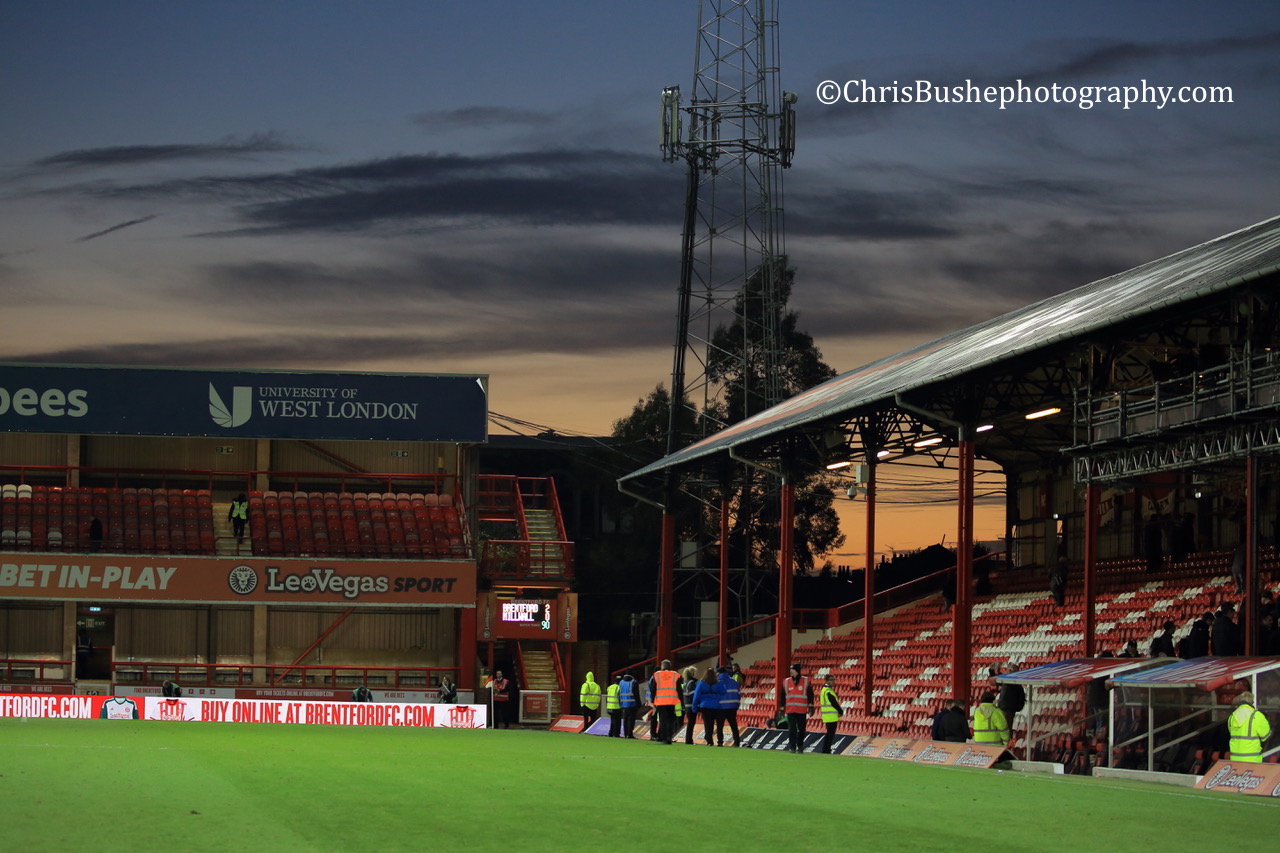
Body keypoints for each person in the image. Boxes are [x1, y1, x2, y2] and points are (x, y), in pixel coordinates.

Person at [1227, 691, 1271, 763]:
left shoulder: (1232, 716)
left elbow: (1231, 732)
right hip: (1252, 760)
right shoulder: (1256, 715)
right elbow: (1266, 735)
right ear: (1252, 702)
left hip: (1235, 759)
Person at [782, 663, 814, 753]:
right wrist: (781, 707)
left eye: (793, 670)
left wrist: (811, 705)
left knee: (802, 729)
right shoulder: (787, 681)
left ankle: (800, 746)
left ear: (797, 671)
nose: (791, 672)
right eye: (791, 670)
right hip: (790, 710)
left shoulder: (806, 681)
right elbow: (782, 695)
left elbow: (810, 694)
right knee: (792, 729)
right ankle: (792, 747)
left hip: (801, 710)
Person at [648, 660, 681, 744]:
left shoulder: (656, 675)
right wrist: (681, 701)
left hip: (660, 701)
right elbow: (679, 689)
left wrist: (653, 701)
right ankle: (669, 737)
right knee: (670, 720)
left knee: (663, 720)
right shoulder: (675, 675)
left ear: (662, 666)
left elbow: (653, 690)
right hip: (672, 701)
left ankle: (664, 738)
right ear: (670, 666)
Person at [691, 667, 724, 746]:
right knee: (719, 724)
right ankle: (720, 741)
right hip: (716, 706)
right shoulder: (718, 683)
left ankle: (709, 740)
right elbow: (723, 691)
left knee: (708, 724)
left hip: (705, 706)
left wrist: (694, 707)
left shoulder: (701, 683)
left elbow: (696, 696)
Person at [715, 665, 742, 747]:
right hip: (732, 707)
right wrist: (736, 705)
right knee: (733, 725)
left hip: (721, 707)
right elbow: (738, 695)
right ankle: (737, 742)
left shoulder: (717, 682)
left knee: (720, 726)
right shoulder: (734, 681)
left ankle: (720, 742)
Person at [818, 673, 843, 754]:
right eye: (831, 680)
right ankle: (826, 749)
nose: (833, 682)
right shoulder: (828, 691)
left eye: (833, 680)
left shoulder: (823, 690)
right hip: (831, 716)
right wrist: (840, 711)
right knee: (830, 734)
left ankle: (826, 749)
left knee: (829, 733)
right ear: (827, 681)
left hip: (826, 715)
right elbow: (833, 702)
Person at [997, 662, 1025, 727]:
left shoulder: (1010, 682)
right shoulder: (1014, 683)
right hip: (1007, 708)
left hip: (1007, 708)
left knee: (1005, 727)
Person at [681, 666, 702, 744]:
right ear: (693, 673)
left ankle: (688, 739)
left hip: (687, 705)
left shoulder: (685, 681)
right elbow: (693, 695)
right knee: (691, 723)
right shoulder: (692, 683)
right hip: (691, 705)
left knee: (690, 722)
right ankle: (689, 740)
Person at [618, 672, 640, 738]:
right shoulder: (633, 682)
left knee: (625, 719)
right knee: (631, 720)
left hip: (623, 704)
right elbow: (636, 694)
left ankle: (625, 733)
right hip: (632, 704)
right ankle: (630, 734)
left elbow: (619, 693)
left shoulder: (621, 682)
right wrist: (639, 704)